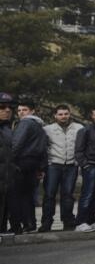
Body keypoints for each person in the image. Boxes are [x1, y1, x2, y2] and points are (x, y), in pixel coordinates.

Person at [40, 105, 83, 232]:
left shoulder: (79, 128)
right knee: (49, 195)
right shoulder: (47, 129)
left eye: (66, 113)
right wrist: (46, 163)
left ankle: (68, 221)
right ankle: (46, 222)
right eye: (60, 114)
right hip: (53, 165)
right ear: (55, 115)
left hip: (71, 166)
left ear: (70, 114)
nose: (63, 116)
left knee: (68, 195)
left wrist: (77, 162)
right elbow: (42, 147)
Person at [11, 100, 47, 234]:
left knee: (17, 195)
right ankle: (30, 223)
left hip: (21, 162)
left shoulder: (25, 123)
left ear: (32, 111)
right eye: (19, 110)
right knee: (27, 195)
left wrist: (10, 159)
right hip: (34, 163)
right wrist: (41, 167)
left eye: (24, 110)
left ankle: (22, 224)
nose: (21, 113)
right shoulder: (39, 125)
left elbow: (16, 144)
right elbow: (43, 148)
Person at [0, 93, 18, 242]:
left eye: (10, 107)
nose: (7, 110)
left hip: (7, 179)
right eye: (2, 107)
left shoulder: (7, 129)